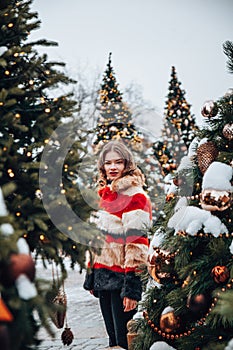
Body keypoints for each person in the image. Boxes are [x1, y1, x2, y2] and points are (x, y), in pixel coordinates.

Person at [84, 140, 152, 350]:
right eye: (108, 163)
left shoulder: (135, 196)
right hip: (103, 277)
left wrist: (131, 288)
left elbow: (137, 243)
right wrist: (91, 274)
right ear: (102, 166)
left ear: (126, 164)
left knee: (125, 341)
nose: (112, 167)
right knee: (113, 341)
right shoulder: (102, 196)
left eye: (118, 162)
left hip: (122, 279)